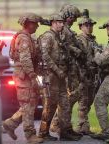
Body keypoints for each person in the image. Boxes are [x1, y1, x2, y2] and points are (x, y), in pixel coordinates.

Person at [2, 13, 44, 144]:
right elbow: (25, 59)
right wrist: (32, 76)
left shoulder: (28, 38)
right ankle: (30, 135)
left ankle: (10, 123)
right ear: (28, 24)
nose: (37, 26)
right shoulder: (24, 39)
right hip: (24, 76)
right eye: (35, 23)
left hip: (25, 75)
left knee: (30, 103)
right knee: (28, 106)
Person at [38, 13, 80, 141]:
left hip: (61, 76)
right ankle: (43, 132)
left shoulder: (59, 37)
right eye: (59, 22)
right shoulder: (48, 36)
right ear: (53, 23)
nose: (62, 24)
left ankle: (65, 131)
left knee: (65, 103)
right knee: (50, 105)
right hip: (51, 76)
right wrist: (57, 70)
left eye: (62, 22)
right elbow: (45, 56)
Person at [49, 4, 83, 140]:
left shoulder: (67, 29)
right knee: (68, 98)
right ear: (67, 16)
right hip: (65, 70)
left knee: (69, 98)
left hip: (71, 68)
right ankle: (60, 126)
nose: (74, 20)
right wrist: (75, 50)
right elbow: (62, 46)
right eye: (72, 17)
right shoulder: (62, 30)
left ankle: (64, 126)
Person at [75, 9, 99, 135]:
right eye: (86, 25)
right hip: (82, 75)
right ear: (80, 26)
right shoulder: (79, 40)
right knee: (83, 101)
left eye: (91, 25)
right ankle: (80, 126)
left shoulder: (92, 40)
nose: (89, 27)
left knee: (89, 101)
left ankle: (83, 126)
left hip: (91, 75)